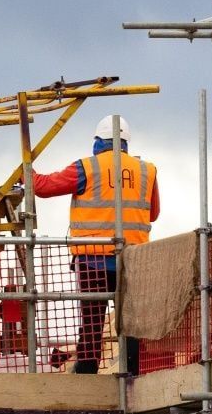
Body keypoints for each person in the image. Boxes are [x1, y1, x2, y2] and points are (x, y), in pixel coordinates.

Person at [31, 115, 161, 374]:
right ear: (126, 142)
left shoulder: (86, 167)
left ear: (99, 141)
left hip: (92, 259)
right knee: (132, 319)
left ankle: (87, 368)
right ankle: (132, 370)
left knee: (91, 318)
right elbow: (153, 213)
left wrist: (27, 174)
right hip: (133, 258)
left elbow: (44, 187)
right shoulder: (147, 170)